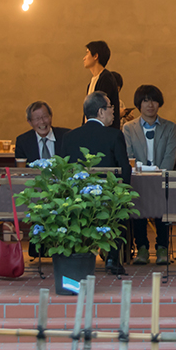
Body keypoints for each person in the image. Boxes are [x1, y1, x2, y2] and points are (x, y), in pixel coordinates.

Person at [62, 91, 133, 275]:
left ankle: (79, 254)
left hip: (78, 200)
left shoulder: (69, 137)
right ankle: (113, 258)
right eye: (110, 107)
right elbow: (125, 168)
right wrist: (123, 193)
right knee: (121, 207)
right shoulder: (114, 135)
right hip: (106, 198)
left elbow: (64, 169)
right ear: (101, 112)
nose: (113, 111)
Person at [122, 85, 176, 265]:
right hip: (138, 179)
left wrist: (160, 174)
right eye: (145, 101)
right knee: (138, 209)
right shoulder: (128, 128)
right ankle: (142, 248)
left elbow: (170, 155)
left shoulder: (170, 127)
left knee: (163, 209)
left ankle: (162, 248)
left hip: (162, 177)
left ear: (159, 103)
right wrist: (140, 173)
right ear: (139, 104)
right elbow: (129, 155)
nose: (150, 105)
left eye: (153, 100)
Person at [83, 40, 120, 125]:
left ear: (95, 56)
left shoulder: (106, 79)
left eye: (87, 53)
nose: (84, 58)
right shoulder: (92, 81)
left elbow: (102, 109)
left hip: (103, 130)